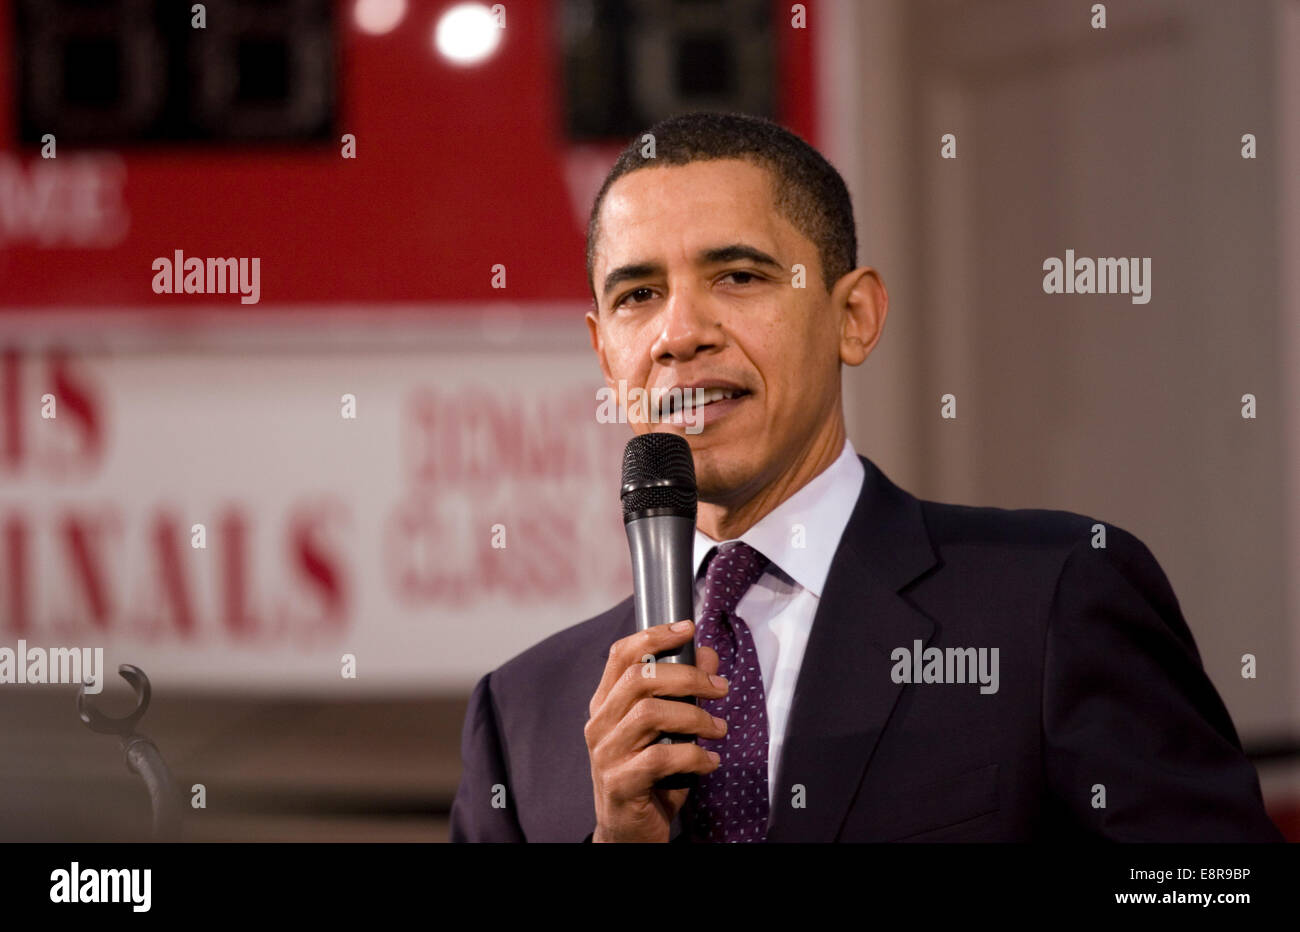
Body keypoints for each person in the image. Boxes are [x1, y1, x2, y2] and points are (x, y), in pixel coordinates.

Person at [449, 112, 1282, 842]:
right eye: (638, 294)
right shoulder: (522, 715)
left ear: (854, 317)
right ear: (605, 352)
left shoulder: (1049, 600)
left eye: (737, 276)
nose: (680, 332)